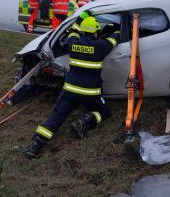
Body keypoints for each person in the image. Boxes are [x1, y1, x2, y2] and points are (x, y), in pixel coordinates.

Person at [23, 12, 121, 158]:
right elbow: (116, 38)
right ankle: (85, 121)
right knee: (104, 112)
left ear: (82, 31)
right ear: (96, 32)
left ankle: (35, 146)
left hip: (70, 92)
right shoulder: (101, 46)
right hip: (91, 94)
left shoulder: (72, 43)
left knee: (55, 117)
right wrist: (119, 27)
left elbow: (73, 30)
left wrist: (81, 17)